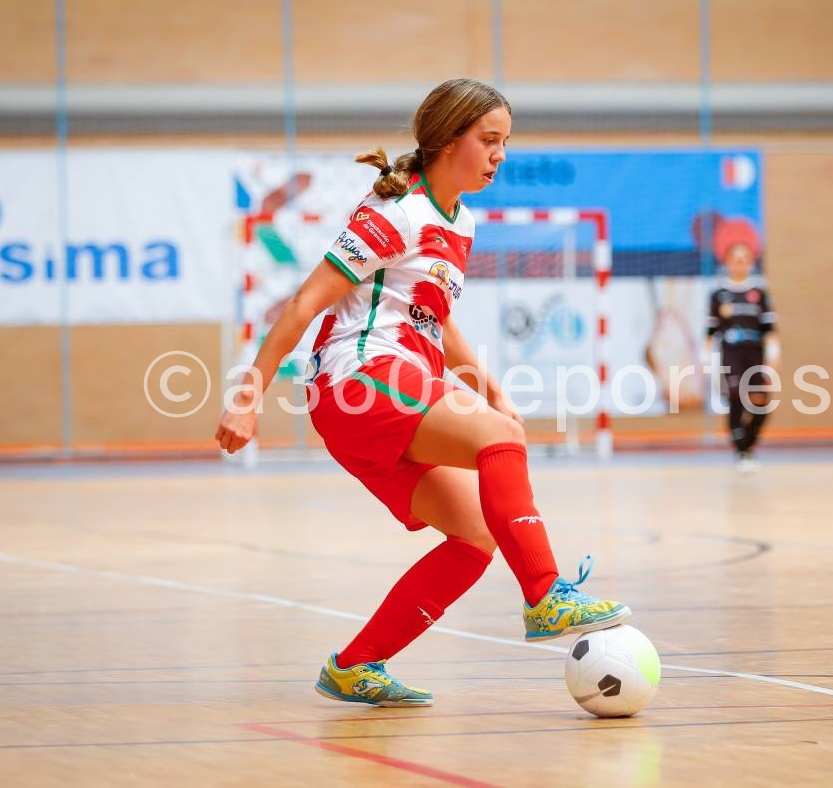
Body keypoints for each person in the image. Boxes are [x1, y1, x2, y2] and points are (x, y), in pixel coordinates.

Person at [215, 78, 630, 708]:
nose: (500, 155)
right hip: (361, 377)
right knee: (500, 441)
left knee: (473, 538)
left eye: (505, 143)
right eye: (489, 140)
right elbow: (305, 300)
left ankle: (357, 665)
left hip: (387, 393)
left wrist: (489, 388)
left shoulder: (459, 220)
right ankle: (546, 594)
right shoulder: (396, 212)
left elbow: (436, 321)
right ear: (445, 141)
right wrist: (248, 395)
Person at [704, 219, 780, 472]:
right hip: (731, 355)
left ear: (751, 262)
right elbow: (710, 331)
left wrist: (773, 357)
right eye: (735, 259)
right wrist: (707, 361)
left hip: (754, 355)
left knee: (760, 403)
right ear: (727, 262)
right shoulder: (719, 295)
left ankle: (748, 446)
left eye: (745, 258)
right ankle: (741, 455)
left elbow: (770, 331)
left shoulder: (760, 293)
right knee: (737, 401)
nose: (740, 263)